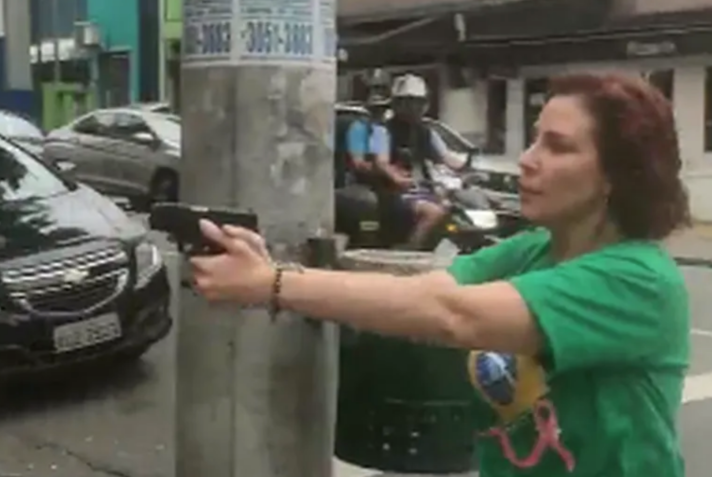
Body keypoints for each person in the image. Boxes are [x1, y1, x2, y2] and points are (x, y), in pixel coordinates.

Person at [188, 72, 691, 477]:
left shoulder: (638, 280)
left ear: (615, 176)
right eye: (535, 139)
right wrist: (275, 273)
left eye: (557, 147)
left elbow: (452, 315)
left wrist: (272, 284)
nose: (527, 160)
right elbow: (426, 292)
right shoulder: (533, 249)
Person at [383, 74, 455, 248]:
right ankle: (409, 252)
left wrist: (470, 167)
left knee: (455, 208)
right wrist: (396, 177)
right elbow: (381, 163)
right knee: (433, 213)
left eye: (417, 102)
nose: (413, 108)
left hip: (422, 190)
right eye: (407, 102)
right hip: (394, 192)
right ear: (396, 104)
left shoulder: (426, 132)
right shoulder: (384, 131)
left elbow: (446, 158)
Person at [344, 91, 391, 186]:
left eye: (383, 109)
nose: (380, 113)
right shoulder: (358, 129)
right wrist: (380, 168)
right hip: (361, 182)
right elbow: (358, 164)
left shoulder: (384, 130)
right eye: (375, 110)